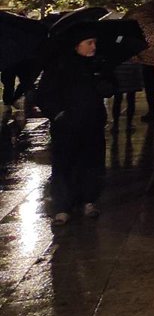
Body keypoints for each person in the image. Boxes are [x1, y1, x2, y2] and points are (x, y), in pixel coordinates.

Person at [36, 24, 113, 224]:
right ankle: (62, 206)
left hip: (92, 124)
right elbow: (44, 95)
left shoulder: (98, 64)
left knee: (91, 163)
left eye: (95, 42)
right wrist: (59, 114)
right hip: (66, 126)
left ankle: (88, 200)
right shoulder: (59, 66)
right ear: (77, 45)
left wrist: (104, 84)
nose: (93, 46)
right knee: (64, 165)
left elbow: (111, 86)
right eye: (89, 43)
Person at [109, 59, 143, 133]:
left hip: (118, 68)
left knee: (117, 99)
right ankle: (129, 124)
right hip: (131, 68)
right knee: (131, 99)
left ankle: (116, 124)